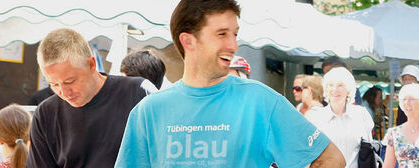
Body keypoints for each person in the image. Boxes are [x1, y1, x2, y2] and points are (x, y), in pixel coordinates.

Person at [114, 0, 345, 167]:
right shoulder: (148, 112)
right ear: (188, 40)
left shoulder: (260, 101)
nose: (234, 45)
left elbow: (331, 159)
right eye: (222, 34)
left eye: (235, 33)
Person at [27, 28, 156, 168]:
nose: (64, 92)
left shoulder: (138, 94)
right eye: (54, 84)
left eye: (70, 81)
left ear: (91, 64)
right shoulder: (46, 114)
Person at [305, 67, 375, 168]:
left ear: (349, 89)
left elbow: (369, 151)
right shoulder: (316, 117)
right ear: (326, 89)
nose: (334, 89)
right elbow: (308, 153)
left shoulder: (361, 114)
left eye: (340, 85)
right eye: (331, 85)